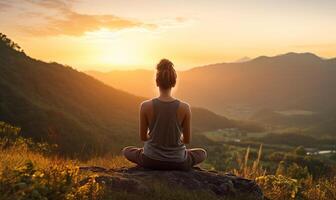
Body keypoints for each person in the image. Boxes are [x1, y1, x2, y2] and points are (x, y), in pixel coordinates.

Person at [122, 59, 207, 170]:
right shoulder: (185, 107)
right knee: (202, 153)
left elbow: (143, 137)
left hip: (150, 160)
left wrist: (156, 136)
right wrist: (173, 138)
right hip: (178, 161)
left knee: (126, 150)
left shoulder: (145, 106)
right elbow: (186, 140)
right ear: (174, 83)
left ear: (157, 82)